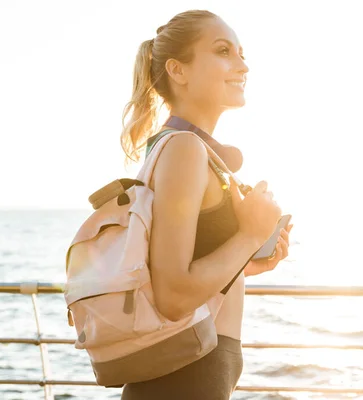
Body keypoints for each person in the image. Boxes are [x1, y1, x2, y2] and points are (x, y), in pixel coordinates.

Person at [119, 9, 293, 400]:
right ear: (179, 71)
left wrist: (246, 262)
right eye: (223, 51)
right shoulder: (183, 148)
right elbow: (174, 296)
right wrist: (249, 233)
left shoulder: (185, 148)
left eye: (241, 52)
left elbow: (183, 267)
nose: (242, 64)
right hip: (182, 382)